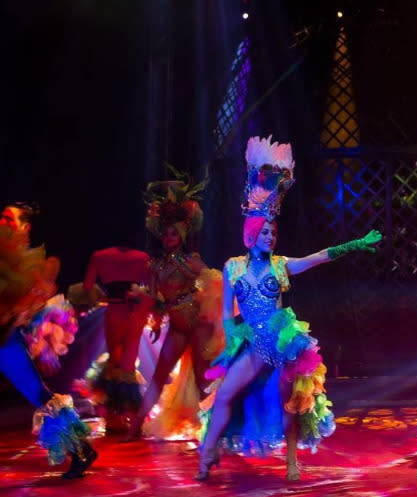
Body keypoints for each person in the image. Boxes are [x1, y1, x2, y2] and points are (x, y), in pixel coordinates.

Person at [196, 135, 382, 481]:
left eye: (273, 231)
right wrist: (235, 332)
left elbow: (318, 258)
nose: (270, 236)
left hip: (281, 343)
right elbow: (226, 311)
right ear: (251, 234)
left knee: (288, 404)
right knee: (223, 396)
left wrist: (353, 245)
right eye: (265, 231)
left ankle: (292, 461)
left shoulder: (281, 265)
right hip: (252, 345)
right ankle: (208, 455)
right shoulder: (232, 266)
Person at [124, 171, 224, 441]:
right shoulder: (155, 266)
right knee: (159, 376)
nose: (169, 238)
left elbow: (214, 280)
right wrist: (156, 322)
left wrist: (212, 310)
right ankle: (135, 428)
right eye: (165, 234)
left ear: (181, 235)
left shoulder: (190, 260)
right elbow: (156, 300)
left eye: (173, 234)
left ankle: (217, 426)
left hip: (198, 325)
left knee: (204, 381)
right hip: (178, 328)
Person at [0, 203, 97, 479]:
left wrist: (17, 311)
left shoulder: (28, 264)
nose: (2, 223)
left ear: (24, 228)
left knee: (40, 395)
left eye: (9, 220)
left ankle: (80, 448)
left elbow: (37, 296)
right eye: (1, 218)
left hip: (8, 342)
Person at [82, 245, 150, 426]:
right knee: (128, 366)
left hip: (114, 311)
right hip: (134, 312)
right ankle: (131, 417)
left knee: (115, 362)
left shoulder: (99, 255)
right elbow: (150, 289)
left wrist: (104, 295)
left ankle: (115, 418)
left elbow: (87, 287)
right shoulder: (142, 256)